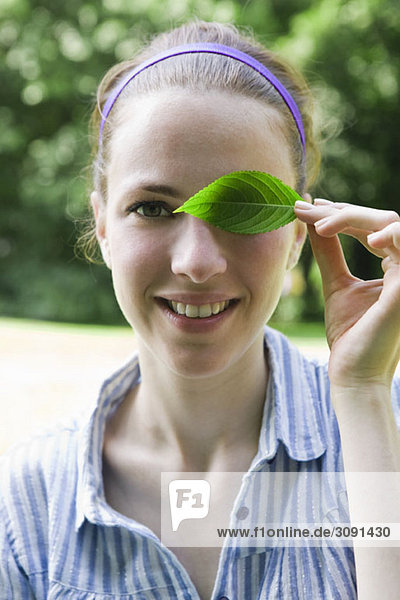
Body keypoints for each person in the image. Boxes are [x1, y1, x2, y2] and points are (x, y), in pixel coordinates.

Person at [1, 19, 400, 600]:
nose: (197, 262)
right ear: (103, 226)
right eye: (153, 209)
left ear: (298, 233)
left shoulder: (386, 434)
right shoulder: (29, 503)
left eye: (242, 208)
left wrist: (364, 397)